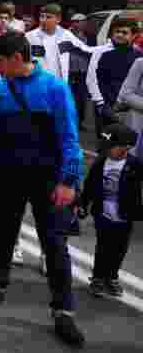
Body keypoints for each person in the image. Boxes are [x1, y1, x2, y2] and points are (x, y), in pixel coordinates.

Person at [0, 32, 84, 348]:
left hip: (48, 178)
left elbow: (69, 137)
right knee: (4, 231)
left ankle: (63, 310)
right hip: (10, 173)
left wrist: (69, 180)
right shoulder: (1, 89)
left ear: (17, 58)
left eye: (0, 61)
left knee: (54, 242)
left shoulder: (54, 89)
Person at [78, 124, 142, 298]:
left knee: (119, 249)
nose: (106, 151)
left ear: (126, 148)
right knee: (103, 248)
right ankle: (98, 278)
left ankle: (112, 277)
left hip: (124, 216)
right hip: (103, 214)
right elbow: (90, 185)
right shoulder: (100, 162)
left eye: (111, 147)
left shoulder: (135, 165)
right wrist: (83, 204)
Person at [87, 17, 142, 139]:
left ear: (134, 36)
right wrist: (102, 105)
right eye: (117, 31)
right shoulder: (101, 52)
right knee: (106, 145)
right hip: (105, 107)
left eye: (124, 32)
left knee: (127, 147)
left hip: (129, 109)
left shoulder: (139, 56)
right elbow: (92, 80)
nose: (119, 35)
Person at [26, 3, 98, 90]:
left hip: (60, 84)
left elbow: (86, 49)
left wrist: (108, 47)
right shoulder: (29, 36)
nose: (44, 20)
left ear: (58, 19)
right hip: (38, 85)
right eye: (41, 16)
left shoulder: (66, 34)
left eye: (48, 17)